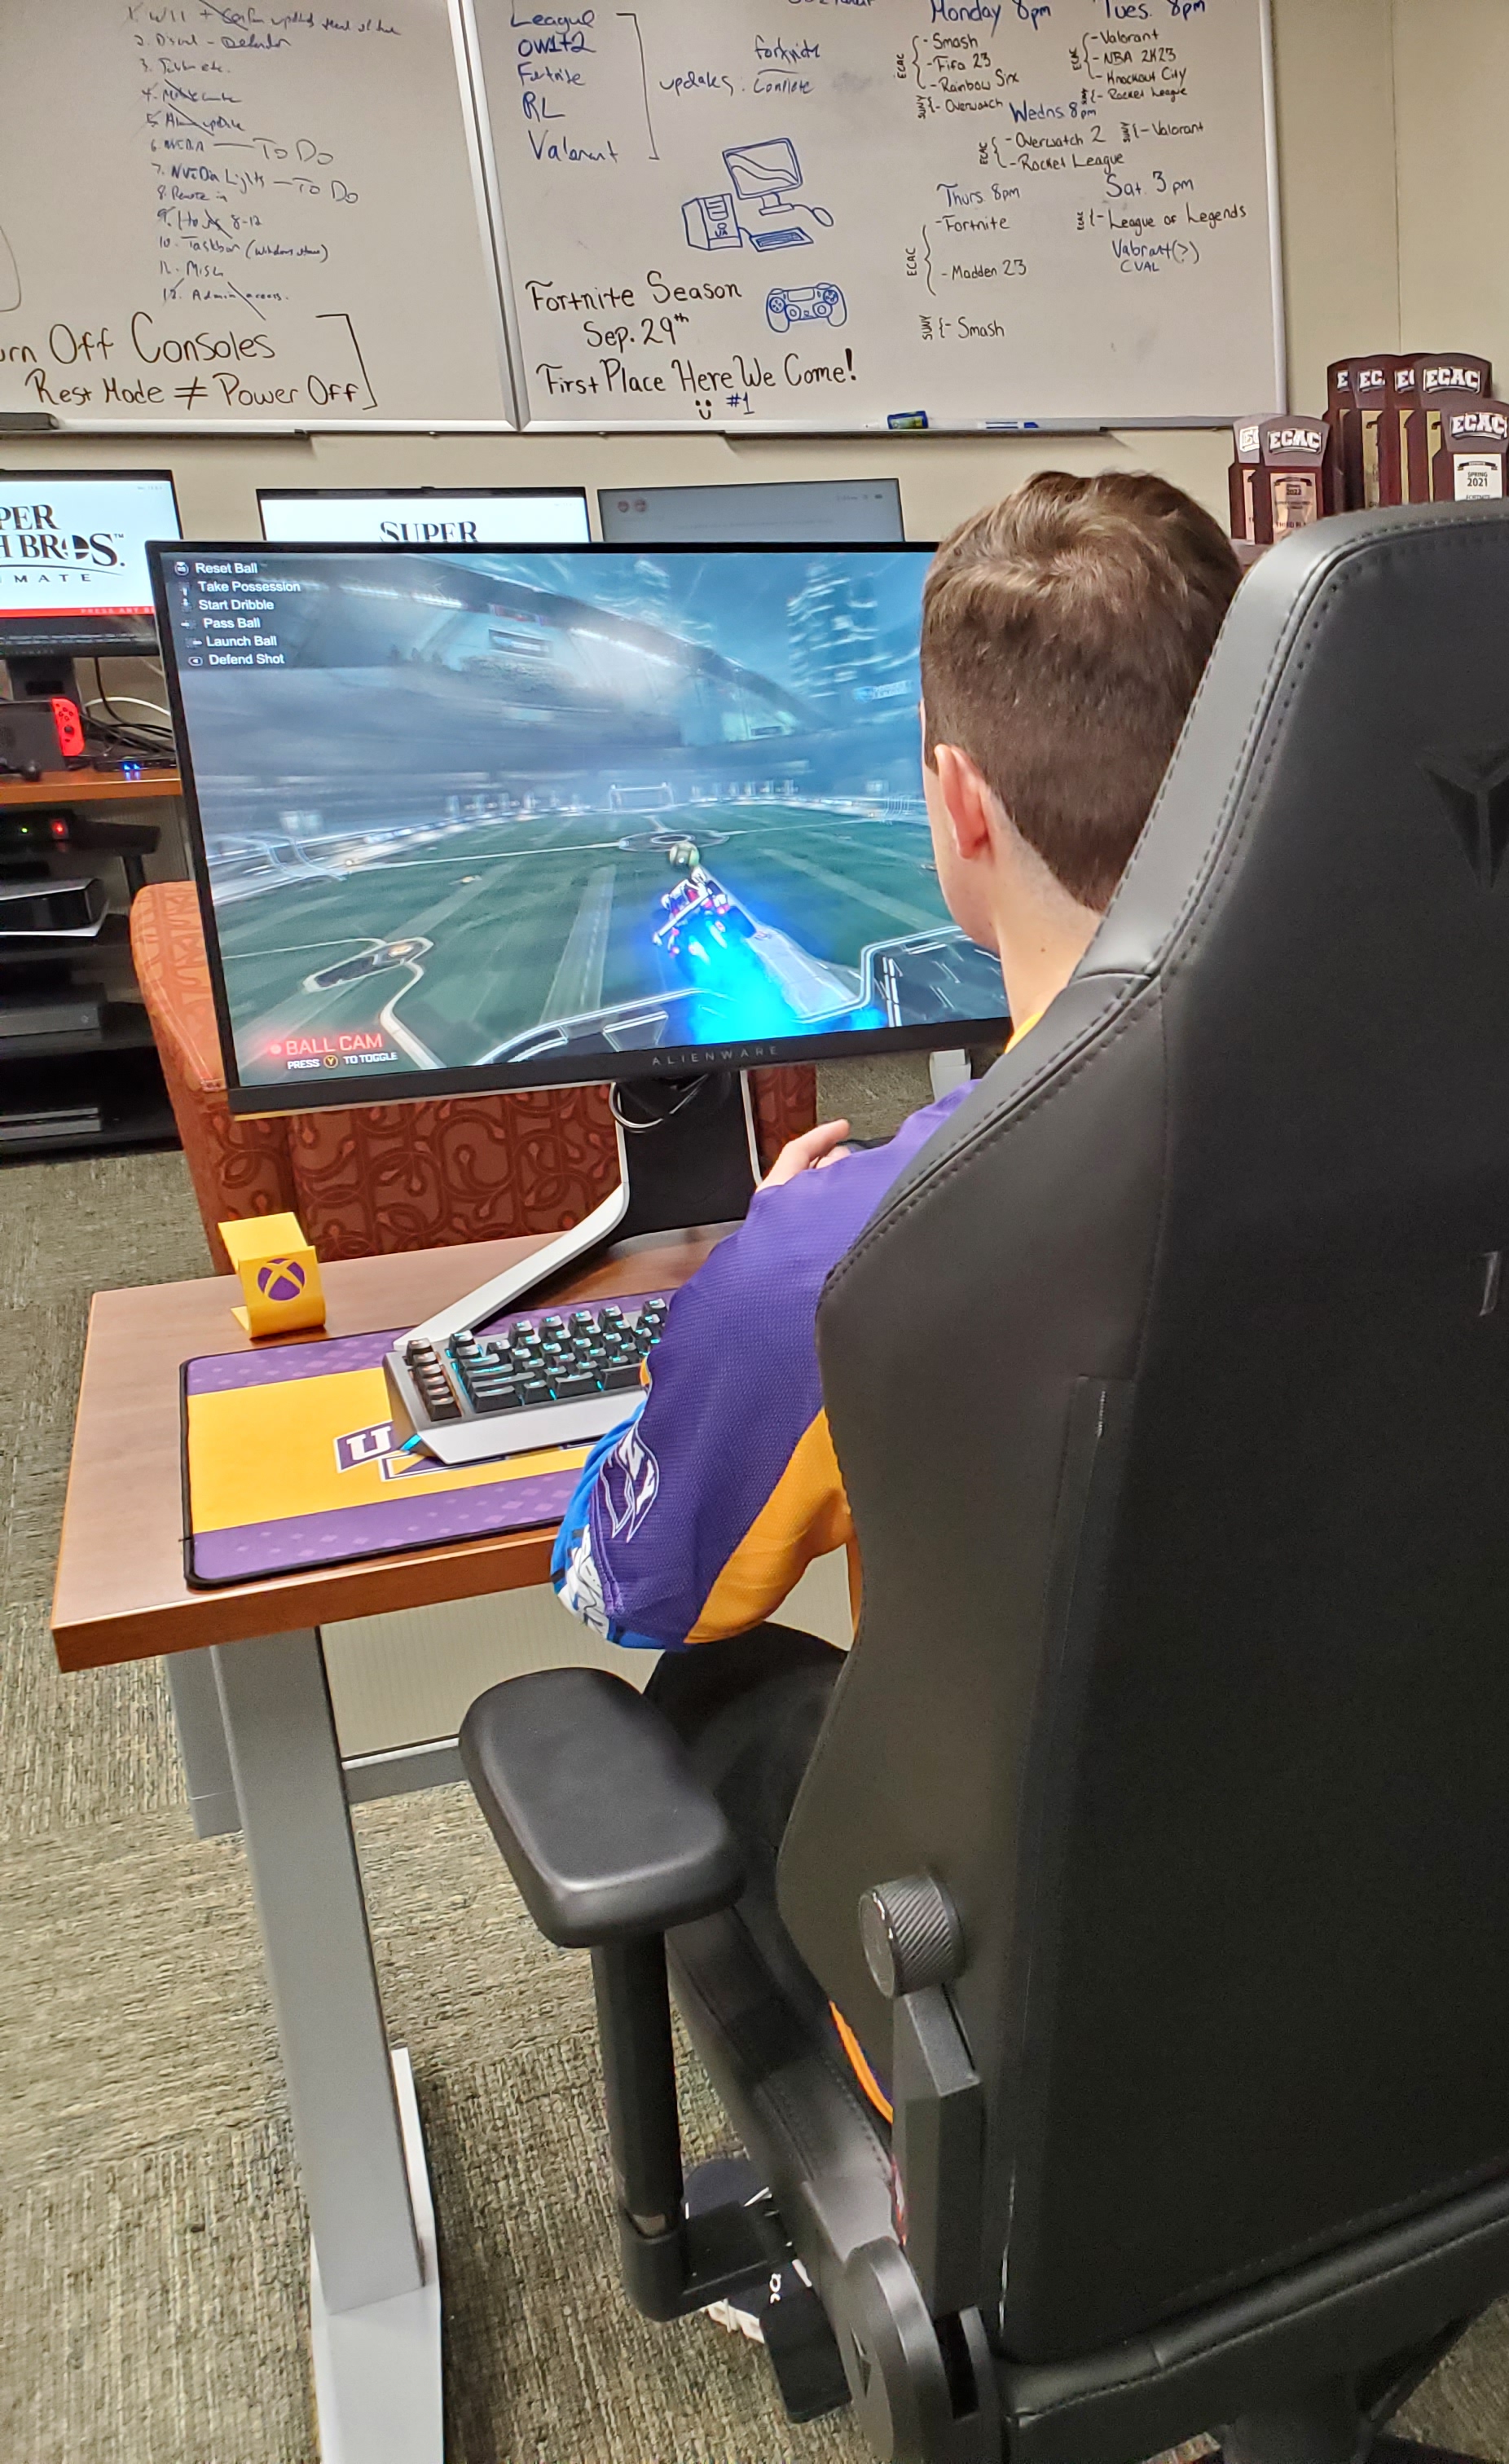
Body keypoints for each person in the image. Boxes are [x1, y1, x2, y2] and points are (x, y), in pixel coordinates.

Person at [548, 468, 1242, 2111]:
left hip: (1047, 2033)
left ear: (958, 801)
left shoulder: (841, 1254)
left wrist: (752, 1282)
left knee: (712, 1689)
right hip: (1393, 1910)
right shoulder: (1481, 1118)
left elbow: (637, 1584)